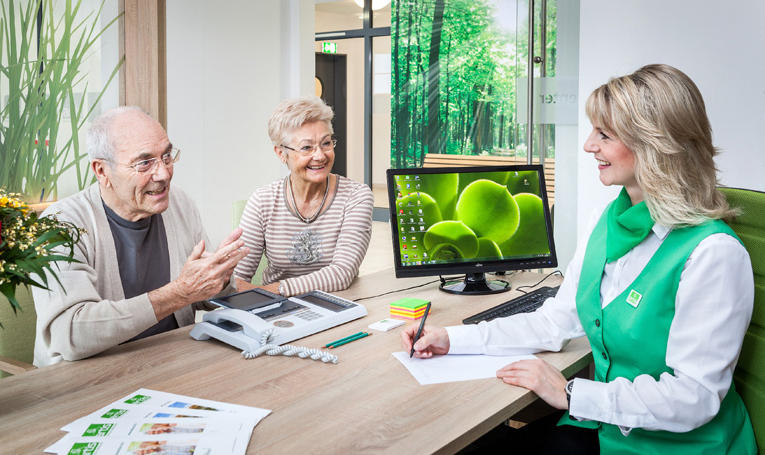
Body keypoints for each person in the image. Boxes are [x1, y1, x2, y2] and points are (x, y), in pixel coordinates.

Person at [401, 64, 757, 454]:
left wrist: (571, 392)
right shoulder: (606, 222)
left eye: (604, 135)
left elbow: (695, 396)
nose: (589, 145)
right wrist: (453, 338)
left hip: (674, 445)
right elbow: (556, 321)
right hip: (605, 425)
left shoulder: (713, 253)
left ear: (655, 144)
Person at [33, 106, 249, 366]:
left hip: (173, 364)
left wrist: (219, 280)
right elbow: (71, 333)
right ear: (102, 171)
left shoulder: (180, 203)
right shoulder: (60, 225)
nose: (164, 173)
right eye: (145, 162)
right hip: (89, 380)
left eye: (167, 156)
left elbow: (205, 302)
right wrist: (179, 293)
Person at [234, 96, 374, 297]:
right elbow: (238, 278)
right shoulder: (263, 201)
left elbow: (342, 273)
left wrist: (273, 290)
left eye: (326, 143)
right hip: (275, 309)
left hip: (338, 305)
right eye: (307, 147)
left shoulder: (356, 196)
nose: (320, 155)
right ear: (281, 154)